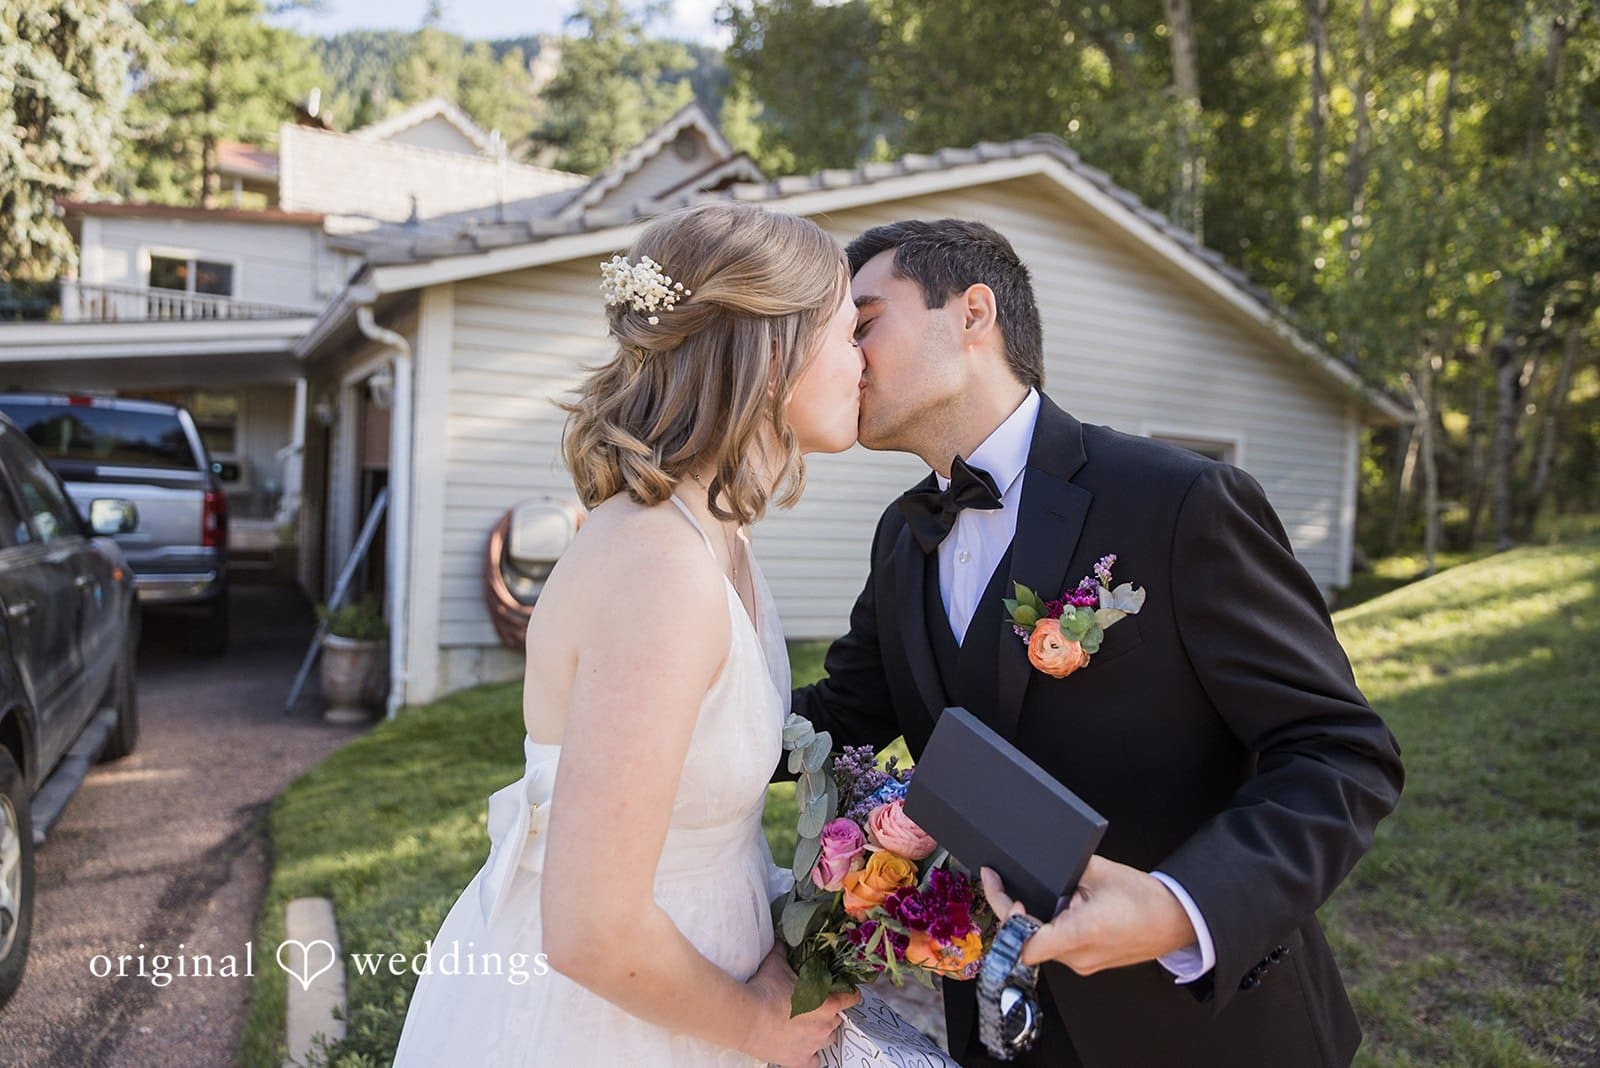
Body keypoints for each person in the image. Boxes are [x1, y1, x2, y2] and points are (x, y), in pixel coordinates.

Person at [790, 218, 1405, 1066]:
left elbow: (1339, 751)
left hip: (1205, 1025)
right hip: (1001, 1021)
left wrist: (1174, 908)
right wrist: (664, 705)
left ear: (973, 314)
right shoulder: (903, 537)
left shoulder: (1180, 500)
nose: (847, 359)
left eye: (863, 324)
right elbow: (837, 717)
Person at [394, 203, 866, 1067]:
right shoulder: (662, 571)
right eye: (848, 333)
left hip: (694, 984)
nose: (864, 363)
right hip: (611, 1026)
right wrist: (760, 1026)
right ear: (773, 361)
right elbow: (591, 928)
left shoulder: (717, 534)